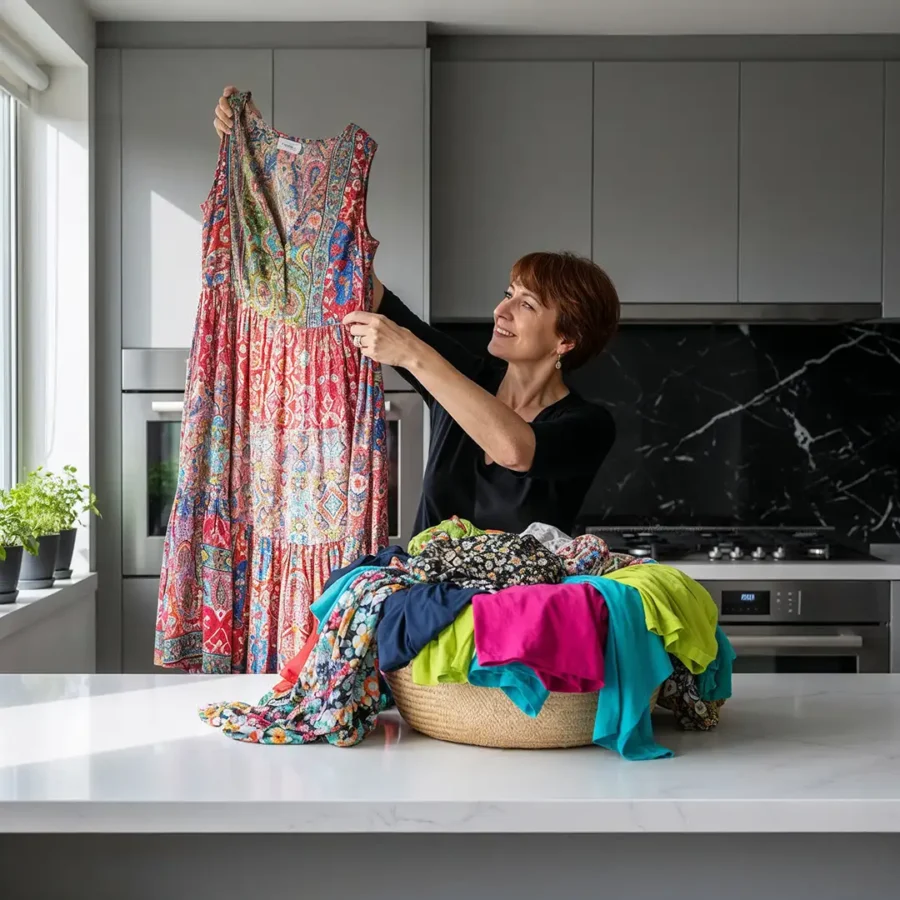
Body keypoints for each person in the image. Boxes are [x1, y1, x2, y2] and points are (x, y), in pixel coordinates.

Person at [214, 87, 620, 536]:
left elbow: (516, 450)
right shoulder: (467, 374)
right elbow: (355, 284)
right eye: (507, 294)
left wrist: (412, 353)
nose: (500, 310)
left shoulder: (589, 425)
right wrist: (257, 153)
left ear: (566, 339)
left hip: (523, 587)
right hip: (428, 584)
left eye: (525, 304)